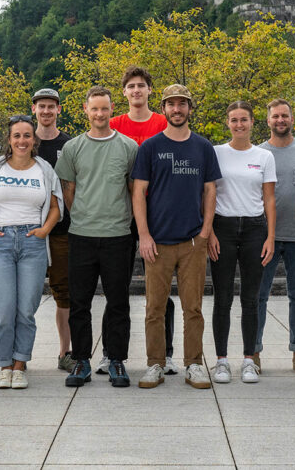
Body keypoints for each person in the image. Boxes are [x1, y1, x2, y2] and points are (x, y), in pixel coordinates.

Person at [132, 84, 221, 390]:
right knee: (154, 308)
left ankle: (194, 364)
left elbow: (210, 190)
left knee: (193, 308)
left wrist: (206, 231)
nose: (177, 109)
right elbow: (138, 193)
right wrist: (144, 235)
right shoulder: (151, 148)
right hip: (157, 242)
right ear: (165, 108)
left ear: (189, 109)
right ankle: (155, 364)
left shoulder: (203, 147)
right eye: (172, 104)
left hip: (192, 242)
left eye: (182, 104)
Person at [56, 86, 139, 388]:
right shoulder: (73, 148)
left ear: (112, 109)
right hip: (81, 235)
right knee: (80, 303)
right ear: (85, 110)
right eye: (95, 109)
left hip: (119, 236)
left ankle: (116, 360)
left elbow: (134, 191)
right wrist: (83, 214)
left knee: (118, 302)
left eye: (105, 109)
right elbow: (68, 190)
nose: (100, 114)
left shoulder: (129, 147)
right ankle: (81, 361)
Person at [0, 115, 63, 389]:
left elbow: (56, 207)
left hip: (32, 242)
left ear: (34, 140)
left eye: (27, 136)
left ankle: (21, 364)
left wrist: (44, 230)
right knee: (2, 309)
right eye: (17, 136)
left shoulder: (45, 169)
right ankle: (4, 366)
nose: (22, 141)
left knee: (26, 309)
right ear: (9, 140)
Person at [103, 65, 177, 376]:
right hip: (119, 214)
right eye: (131, 86)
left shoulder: (163, 123)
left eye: (141, 86)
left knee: (160, 289)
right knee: (115, 288)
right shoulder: (114, 124)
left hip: (156, 214)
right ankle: (111, 354)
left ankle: (166, 353)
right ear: (124, 92)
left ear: (149, 91)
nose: (136, 90)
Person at [209, 101, 275, 384]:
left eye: (244, 120)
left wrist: (270, 236)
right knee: (222, 298)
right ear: (228, 123)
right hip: (222, 227)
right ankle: (221, 360)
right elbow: (208, 193)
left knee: (251, 298)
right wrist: (209, 231)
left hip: (254, 228)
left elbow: (269, 198)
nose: (239, 125)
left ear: (252, 122)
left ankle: (249, 359)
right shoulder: (216, 153)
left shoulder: (263, 156)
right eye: (234, 120)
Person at [256, 99, 295, 374]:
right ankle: (253, 352)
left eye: (285, 116)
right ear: (268, 121)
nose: (280, 120)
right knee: (258, 296)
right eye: (275, 116)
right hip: (265, 237)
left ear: (292, 119)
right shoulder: (258, 153)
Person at [31, 88, 75, 373]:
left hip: (62, 230)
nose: (46, 111)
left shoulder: (69, 145)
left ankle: (65, 352)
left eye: (51, 106)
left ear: (59, 110)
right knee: (24, 295)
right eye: (41, 106)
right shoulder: (22, 140)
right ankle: (16, 354)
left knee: (65, 293)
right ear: (33, 109)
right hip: (27, 229)